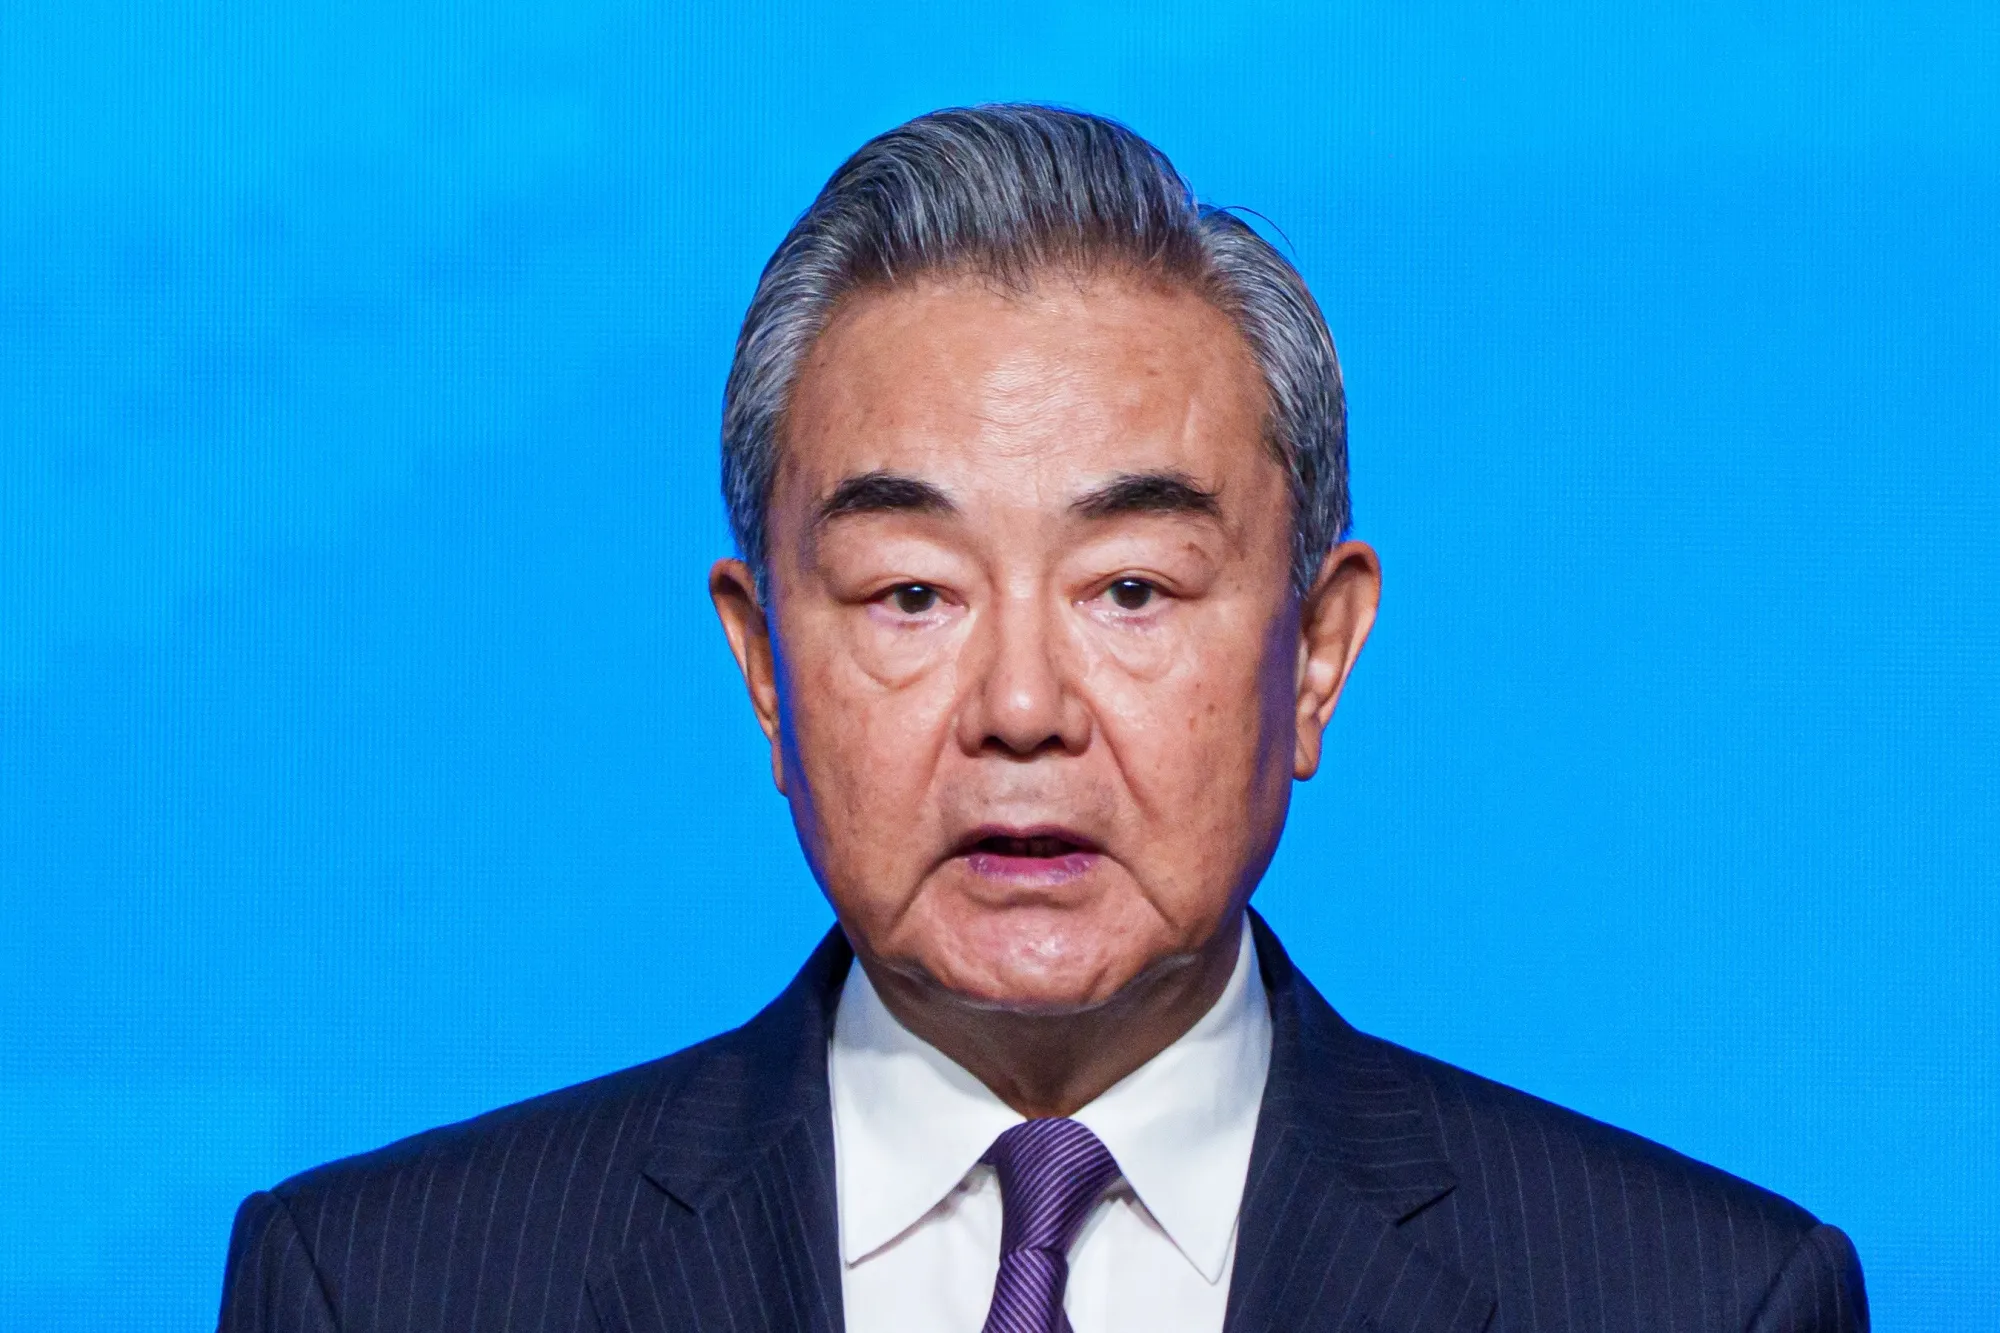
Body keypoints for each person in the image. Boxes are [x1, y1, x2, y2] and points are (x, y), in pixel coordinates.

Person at [218, 104, 1867, 1333]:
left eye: (1130, 588)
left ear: (1316, 652)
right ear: (763, 663)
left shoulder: (1699, 1300)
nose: (1021, 710)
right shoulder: (382, 1289)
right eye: (910, 593)